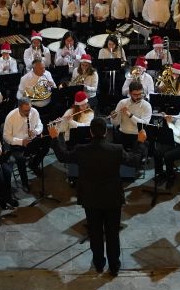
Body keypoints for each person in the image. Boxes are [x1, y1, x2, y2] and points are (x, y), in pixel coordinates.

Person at [49, 116, 144, 276]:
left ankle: (99, 263)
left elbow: (63, 156)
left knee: (95, 232)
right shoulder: (116, 150)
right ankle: (114, 266)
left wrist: (55, 137)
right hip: (112, 198)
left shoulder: (81, 150)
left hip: (90, 198)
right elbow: (135, 160)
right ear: (106, 132)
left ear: (91, 133)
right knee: (113, 233)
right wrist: (141, 142)